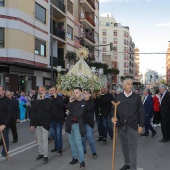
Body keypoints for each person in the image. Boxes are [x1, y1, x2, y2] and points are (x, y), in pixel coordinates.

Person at [112, 78, 145, 170]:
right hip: (122, 126)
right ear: (123, 85)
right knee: (124, 146)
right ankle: (127, 163)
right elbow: (113, 110)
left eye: (131, 84)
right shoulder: (119, 97)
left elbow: (141, 112)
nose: (130, 86)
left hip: (133, 126)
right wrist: (113, 117)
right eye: (128, 84)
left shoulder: (136, 97)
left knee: (132, 148)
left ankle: (133, 167)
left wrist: (141, 125)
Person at [65, 87, 86, 169]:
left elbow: (79, 114)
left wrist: (70, 113)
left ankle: (82, 161)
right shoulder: (72, 101)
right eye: (74, 93)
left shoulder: (84, 103)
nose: (75, 94)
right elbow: (67, 109)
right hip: (69, 124)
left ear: (81, 92)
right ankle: (75, 157)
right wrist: (70, 103)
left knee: (78, 143)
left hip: (77, 125)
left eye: (77, 92)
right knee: (71, 142)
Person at [30, 86, 52, 163]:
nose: (40, 91)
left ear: (45, 92)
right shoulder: (35, 100)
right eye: (39, 90)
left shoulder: (48, 100)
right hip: (37, 123)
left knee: (45, 140)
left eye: (42, 90)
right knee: (39, 140)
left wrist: (43, 99)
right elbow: (32, 113)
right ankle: (41, 153)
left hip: (45, 123)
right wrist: (32, 124)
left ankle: (45, 155)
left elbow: (47, 109)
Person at [82, 89, 97, 158]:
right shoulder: (81, 101)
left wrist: (81, 106)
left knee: (89, 136)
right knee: (83, 137)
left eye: (87, 93)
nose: (85, 95)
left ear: (90, 95)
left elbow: (87, 108)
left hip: (89, 122)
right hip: (82, 121)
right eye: (84, 93)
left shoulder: (92, 102)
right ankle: (83, 149)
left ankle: (94, 152)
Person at [50, 86, 65, 155]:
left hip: (59, 119)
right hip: (52, 119)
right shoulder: (50, 98)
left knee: (58, 134)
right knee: (55, 134)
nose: (52, 91)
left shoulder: (59, 98)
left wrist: (56, 98)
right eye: (51, 90)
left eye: (53, 90)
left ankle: (59, 149)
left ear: (56, 91)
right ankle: (56, 147)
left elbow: (61, 105)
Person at [0, 86, 12, 160]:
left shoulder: (7, 100)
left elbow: (9, 113)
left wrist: (4, 124)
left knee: (5, 138)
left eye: (0, 90)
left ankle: (4, 153)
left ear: (3, 91)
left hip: (4, 123)